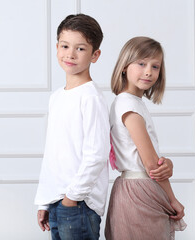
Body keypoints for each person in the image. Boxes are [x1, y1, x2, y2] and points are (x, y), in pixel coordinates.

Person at [34, 14, 174, 240]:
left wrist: (72, 197)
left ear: (95, 55)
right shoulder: (57, 97)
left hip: (79, 203)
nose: (70, 54)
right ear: (57, 47)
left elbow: (96, 154)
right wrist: (45, 199)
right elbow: (52, 154)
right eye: (65, 46)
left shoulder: (91, 98)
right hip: (57, 201)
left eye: (80, 49)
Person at [105, 36, 187, 240]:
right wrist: (172, 199)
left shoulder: (131, 102)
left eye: (155, 66)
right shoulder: (129, 106)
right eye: (141, 63)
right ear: (124, 66)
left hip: (134, 187)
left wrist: (166, 162)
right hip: (141, 190)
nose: (149, 71)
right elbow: (152, 165)